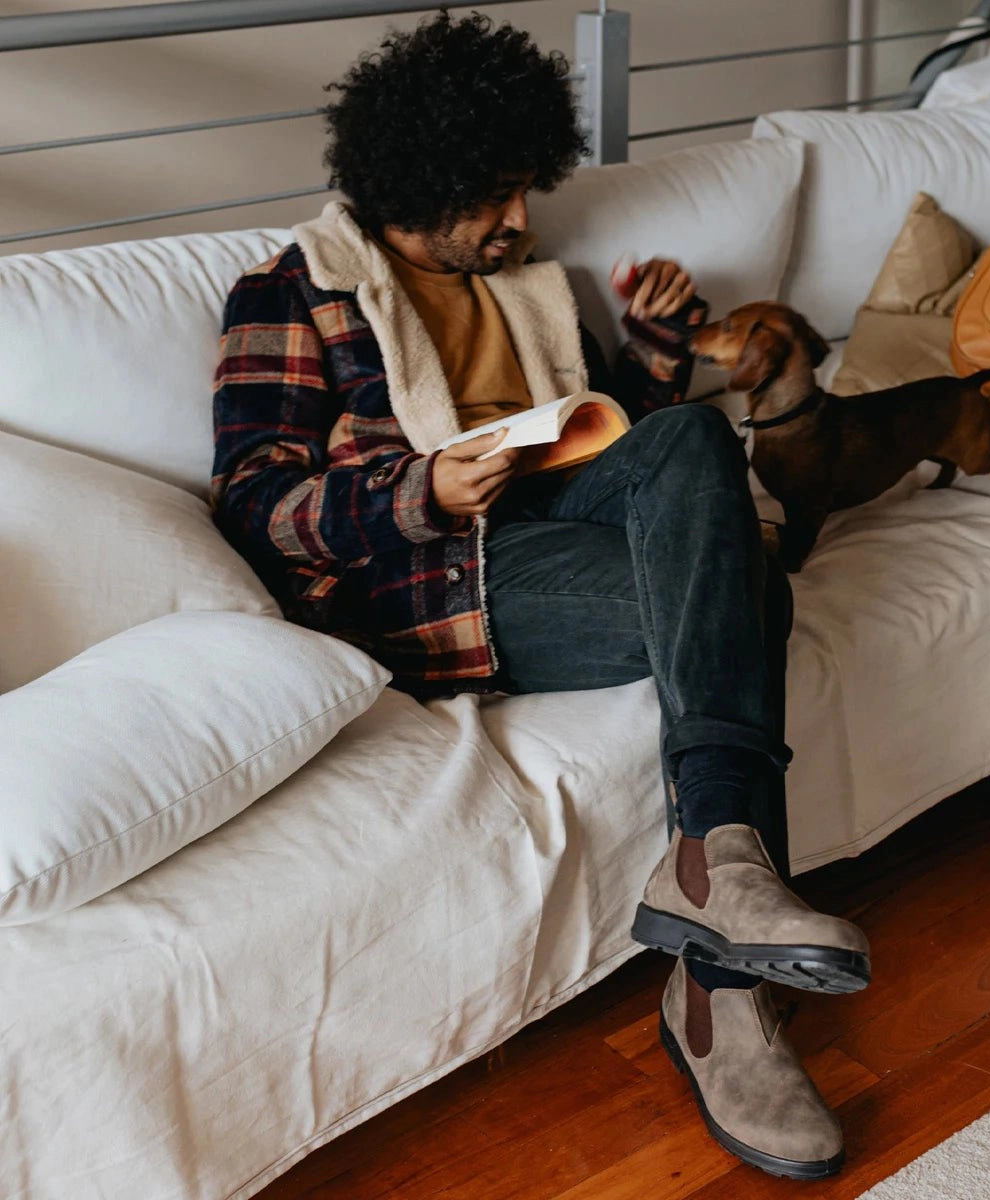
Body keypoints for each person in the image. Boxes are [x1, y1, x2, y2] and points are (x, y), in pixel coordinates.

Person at [211, 12, 870, 1180]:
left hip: (563, 509)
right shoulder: (291, 294)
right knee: (736, 593)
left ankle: (713, 882)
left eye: (527, 189)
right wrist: (420, 487)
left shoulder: (529, 285)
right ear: (420, 177)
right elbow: (258, 501)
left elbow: (623, 440)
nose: (522, 221)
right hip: (442, 567)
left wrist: (658, 347)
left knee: (689, 443)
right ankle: (722, 982)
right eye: (498, 196)